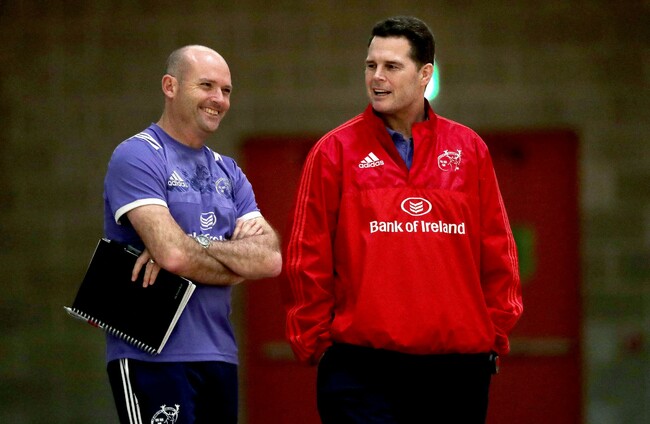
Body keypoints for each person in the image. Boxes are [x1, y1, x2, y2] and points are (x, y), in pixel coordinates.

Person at [284, 16, 523, 423]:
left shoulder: (470, 150)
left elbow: (498, 252)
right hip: (361, 373)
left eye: (391, 66)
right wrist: (318, 345)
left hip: (456, 375)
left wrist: (492, 337)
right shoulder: (333, 152)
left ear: (425, 74)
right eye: (371, 65)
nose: (377, 77)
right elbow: (307, 257)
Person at [103, 45, 282, 424]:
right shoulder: (138, 155)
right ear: (170, 86)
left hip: (218, 354)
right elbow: (172, 255)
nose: (219, 99)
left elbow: (269, 259)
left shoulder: (228, 170)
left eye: (226, 90)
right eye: (206, 86)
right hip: (150, 355)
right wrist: (234, 263)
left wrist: (197, 243)